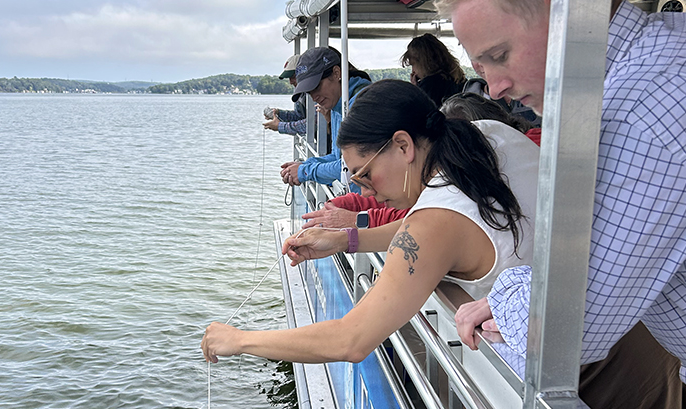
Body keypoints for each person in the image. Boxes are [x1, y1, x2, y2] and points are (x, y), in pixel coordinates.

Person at [435, 0, 686, 409]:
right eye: (481, 69)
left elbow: (566, 334)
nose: (493, 89)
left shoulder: (646, 109)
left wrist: (507, 292)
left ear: (568, 11)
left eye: (499, 56)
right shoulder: (662, 54)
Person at [203, 79, 539, 366]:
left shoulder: (434, 224)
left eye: (365, 175)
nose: (369, 193)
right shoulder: (485, 137)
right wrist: (345, 239)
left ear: (403, 145)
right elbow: (443, 229)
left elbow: (350, 340)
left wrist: (240, 340)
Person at [300, 91, 542, 231]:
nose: (365, 192)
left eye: (365, 175)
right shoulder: (440, 187)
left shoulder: (453, 193)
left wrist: (355, 224)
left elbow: (412, 223)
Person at [279, 47, 371, 187]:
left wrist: (304, 170)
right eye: (309, 93)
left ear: (336, 73)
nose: (315, 97)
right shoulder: (336, 104)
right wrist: (305, 164)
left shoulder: (362, 104)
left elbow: (352, 166)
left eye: (317, 87)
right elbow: (337, 157)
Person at [401, 33, 466, 107]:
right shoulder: (459, 81)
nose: (413, 71)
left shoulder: (430, 85)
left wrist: (416, 90)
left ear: (422, 64)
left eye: (413, 65)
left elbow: (417, 112)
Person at [263, 54, 306, 135]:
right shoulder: (301, 93)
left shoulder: (314, 93)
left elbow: (311, 124)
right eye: (289, 78)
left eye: (293, 77)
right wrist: (278, 113)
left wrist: (280, 126)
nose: (290, 82)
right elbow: (298, 116)